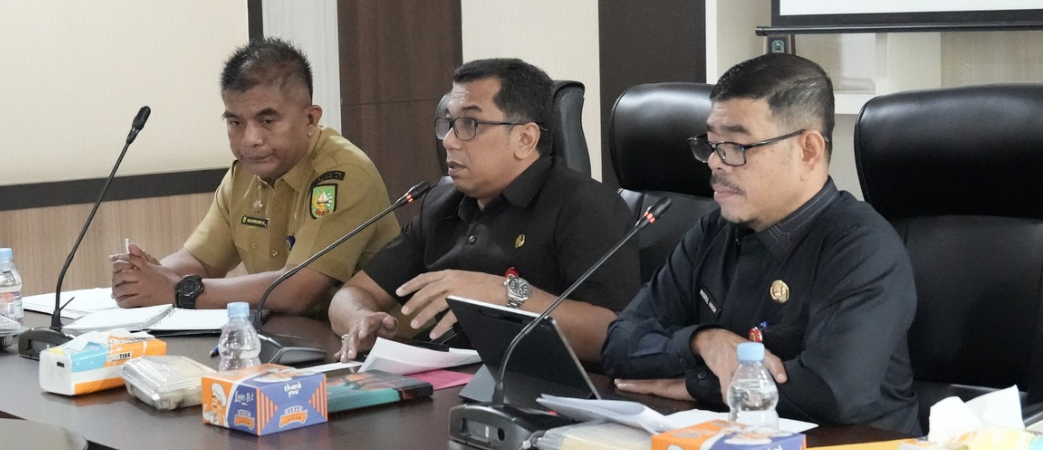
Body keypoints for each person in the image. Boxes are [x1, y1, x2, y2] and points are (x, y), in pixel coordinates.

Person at [601, 53, 921, 435]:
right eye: (712, 144)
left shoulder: (861, 246)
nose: (715, 163)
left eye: (736, 146)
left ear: (808, 150)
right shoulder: (713, 231)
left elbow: (833, 391)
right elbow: (619, 344)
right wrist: (703, 342)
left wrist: (697, 384)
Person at [330, 58, 640, 364]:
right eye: (449, 124)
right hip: (451, 376)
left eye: (469, 124)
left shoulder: (585, 206)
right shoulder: (441, 204)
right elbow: (352, 294)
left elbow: (611, 334)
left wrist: (506, 293)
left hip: (542, 385)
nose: (449, 141)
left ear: (525, 138)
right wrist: (360, 320)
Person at [109, 38, 400, 316]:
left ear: (310, 119)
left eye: (267, 120)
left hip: (379, 341)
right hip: (291, 336)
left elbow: (298, 291)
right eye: (235, 122)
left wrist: (177, 290)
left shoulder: (343, 175)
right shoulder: (245, 173)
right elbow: (200, 261)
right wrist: (148, 274)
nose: (250, 140)